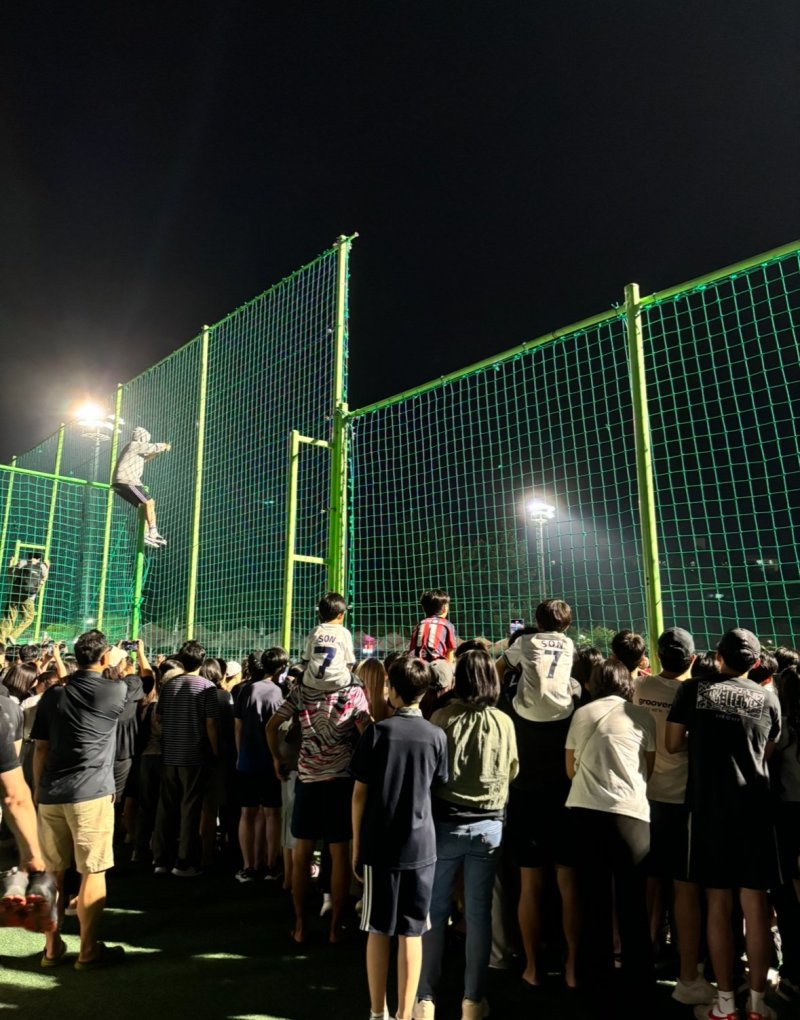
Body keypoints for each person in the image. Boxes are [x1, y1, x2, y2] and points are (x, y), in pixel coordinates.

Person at [667, 628, 781, 1020]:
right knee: (756, 906)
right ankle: (759, 1004)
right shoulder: (768, 698)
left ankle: (726, 1003)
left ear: (717, 655)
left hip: (709, 809)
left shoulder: (693, 691)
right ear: (756, 661)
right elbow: (765, 751)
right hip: (754, 808)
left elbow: (671, 742)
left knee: (717, 902)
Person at [415, 649, 518, 1020]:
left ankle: (425, 996)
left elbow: (432, 772)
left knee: (435, 911)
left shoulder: (443, 718)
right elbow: (512, 771)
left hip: (445, 826)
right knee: (478, 915)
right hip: (490, 828)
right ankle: (472, 999)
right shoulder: (504, 723)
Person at [267, 595, 370, 945]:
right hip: (341, 781)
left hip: (308, 778)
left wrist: (278, 758)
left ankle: (299, 924)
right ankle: (334, 927)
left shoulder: (300, 690)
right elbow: (367, 733)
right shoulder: (354, 692)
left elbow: (271, 726)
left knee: (300, 853)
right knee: (339, 853)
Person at [350, 655, 449, 1020]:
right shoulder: (437, 736)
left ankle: (379, 1012)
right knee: (412, 931)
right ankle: (406, 1013)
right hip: (422, 845)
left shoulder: (377, 733)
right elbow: (439, 786)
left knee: (378, 929)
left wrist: (357, 843)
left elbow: (359, 794)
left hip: (380, 844)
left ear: (392, 690)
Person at [31, 630, 128, 969]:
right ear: (103, 657)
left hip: (50, 793)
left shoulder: (53, 695)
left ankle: (52, 948)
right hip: (92, 793)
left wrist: (36, 790)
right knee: (93, 870)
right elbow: (129, 680)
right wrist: (117, 662)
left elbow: (40, 748)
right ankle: (87, 951)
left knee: (53, 875)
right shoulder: (115, 689)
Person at [496, 599, 579, 990]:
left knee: (530, 884)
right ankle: (573, 967)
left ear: (536, 621)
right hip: (564, 792)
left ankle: (530, 966)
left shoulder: (525, 643)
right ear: (565, 624)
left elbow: (497, 668)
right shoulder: (571, 647)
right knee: (568, 882)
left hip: (526, 791)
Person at [633, 628, 715, 1006]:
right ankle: (687, 970)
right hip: (681, 798)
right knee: (684, 885)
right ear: (693, 659)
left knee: (650, 880)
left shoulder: (642, 687)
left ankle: (645, 957)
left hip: (645, 795)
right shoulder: (696, 694)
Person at [565, 660, 656, 1000]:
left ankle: (596, 982)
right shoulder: (642, 716)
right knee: (633, 904)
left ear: (593, 683)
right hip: (632, 816)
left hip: (587, 814)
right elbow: (649, 768)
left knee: (593, 901)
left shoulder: (582, 715)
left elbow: (570, 769)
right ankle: (639, 983)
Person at [152, 640, 219, 877]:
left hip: (169, 753)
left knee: (165, 805)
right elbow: (211, 724)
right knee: (190, 807)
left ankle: (160, 858)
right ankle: (183, 861)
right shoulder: (207, 687)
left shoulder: (169, 686)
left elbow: (158, 719)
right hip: (194, 754)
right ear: (202, 661)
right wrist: (215, 750)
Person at [234, 647, 287, 881]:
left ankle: (249, 865)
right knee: (272, 814)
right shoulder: (277, 692)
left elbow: (238, 725)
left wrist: (240, 753)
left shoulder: (246, 690)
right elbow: (275, 729)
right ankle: (270, 865)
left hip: (247, 759)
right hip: (269, 761)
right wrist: (277, 756)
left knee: (247, 813)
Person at [112, 426, 171, 549]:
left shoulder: (134, 450)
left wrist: (156, 453)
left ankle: (145, 534)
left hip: (121, 482)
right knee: (149, 502)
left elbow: (145, 458)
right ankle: (153, 533)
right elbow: (153, 447)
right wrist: (164, 446)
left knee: (144, 505)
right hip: (127, 481)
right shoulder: (134, 445)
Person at [409, 589, 458, 694]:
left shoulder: (418, 625)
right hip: (438, 673)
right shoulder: (447, 625)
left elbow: (412, 652)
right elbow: (450, 654)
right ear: (445, 608)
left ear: (423, 608)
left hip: (418, 671)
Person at [0, 551, 49, 646]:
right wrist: (48, 567)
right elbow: (43, 581)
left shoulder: (22, 563)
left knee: (9, 618)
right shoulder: (42, 566)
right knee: (29, 617)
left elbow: (11, 576)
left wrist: (10, 564)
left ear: (29, 556)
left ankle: (1, 643)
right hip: (28, 596)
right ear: (39, 558)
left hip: (14, 592)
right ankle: (13, 635)